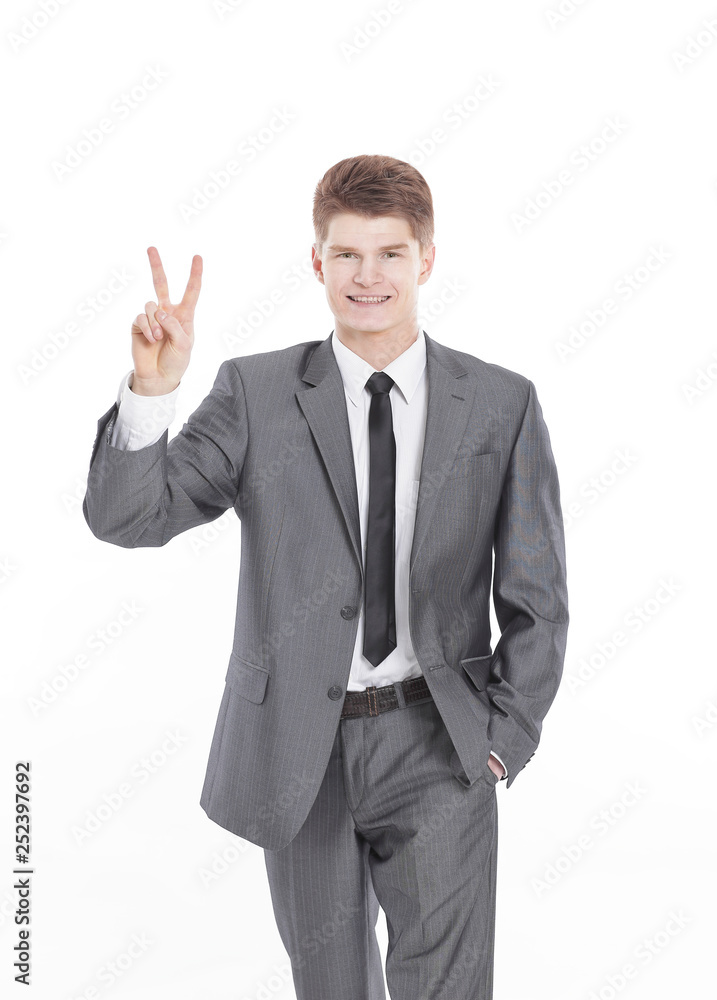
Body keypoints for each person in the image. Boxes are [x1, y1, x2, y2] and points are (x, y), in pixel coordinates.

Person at [83, 153, 569, 1000]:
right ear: (316, 262)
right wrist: (152, 395)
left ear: (427, 259)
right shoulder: (257, 393)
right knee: (331, 989)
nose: (367, 276)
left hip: (441, 744)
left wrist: (503, 741)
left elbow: (537, 598)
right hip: (300, 754)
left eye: (389, 254)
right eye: (346, 254)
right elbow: (130, 519)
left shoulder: (500, 404)